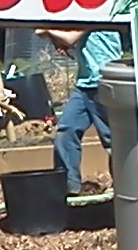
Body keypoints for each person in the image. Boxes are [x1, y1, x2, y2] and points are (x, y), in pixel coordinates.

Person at [40, 24, 123, 196]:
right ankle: (68, 185)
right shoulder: (83, 17)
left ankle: (125, 187)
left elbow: (70, 37)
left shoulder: (97, 13)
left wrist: (47, 30)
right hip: (84, 85)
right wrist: (57, 38)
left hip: (104, 82)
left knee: (115, 140)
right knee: (66, 129)